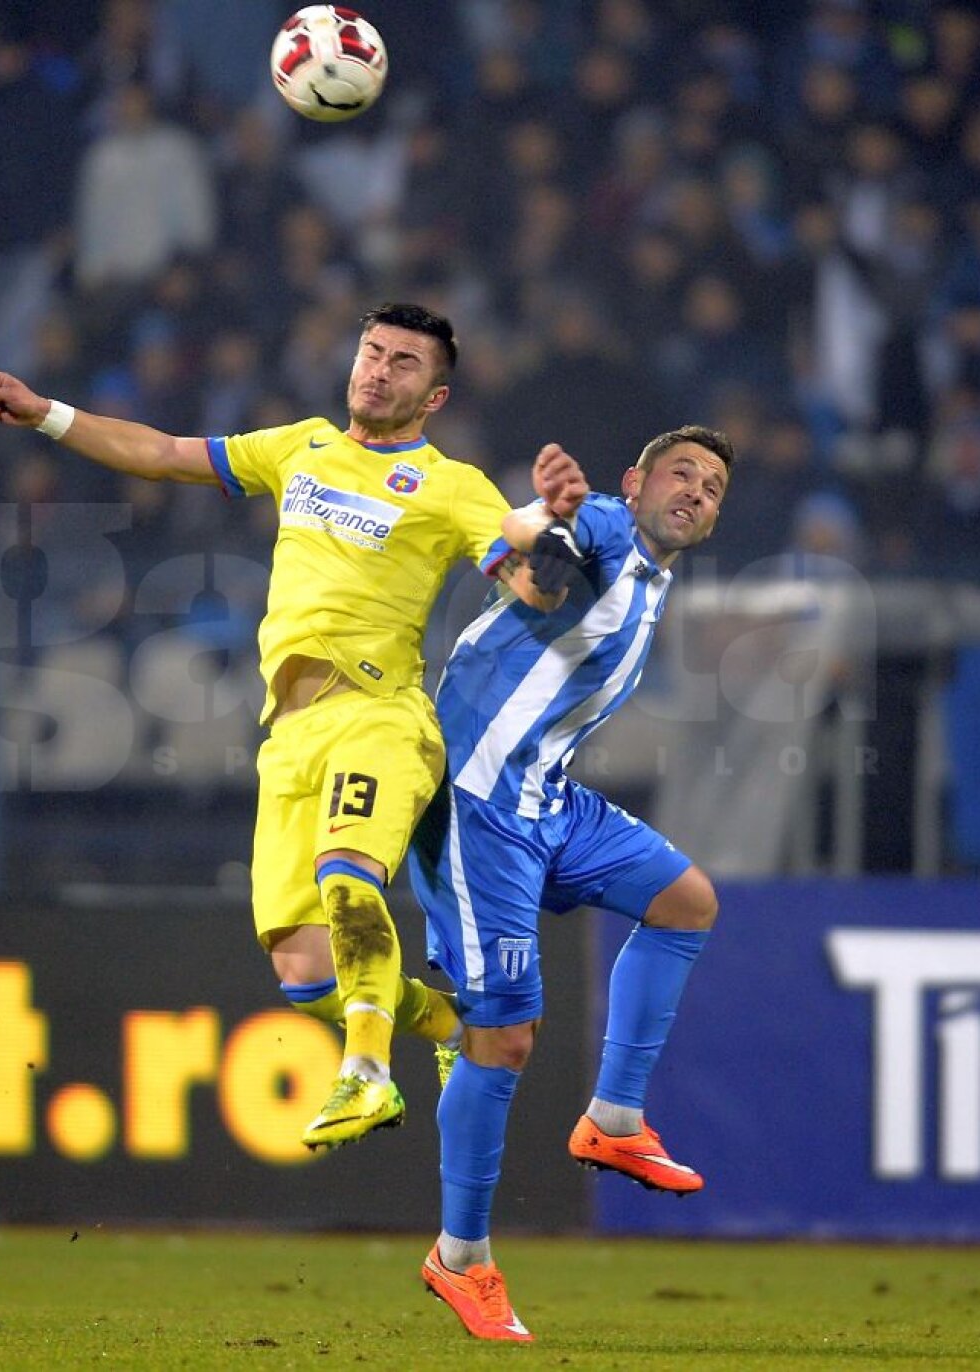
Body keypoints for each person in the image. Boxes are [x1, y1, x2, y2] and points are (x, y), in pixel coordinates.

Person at [0, 302, 586, 1153]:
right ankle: (447, 1025)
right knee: (303, 969)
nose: (379, 370)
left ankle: (366, 1073)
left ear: (434, 398)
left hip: (380, 717)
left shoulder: (451, 484)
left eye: (403, 362)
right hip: (288, 739)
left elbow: (528, 584)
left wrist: (555, 547)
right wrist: (45, 414)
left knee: (348, 878)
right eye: (372, 351)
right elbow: (163, 454)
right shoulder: (300, 447)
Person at [410, 425, 735, 1342]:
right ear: (635, 482)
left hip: (546, 799)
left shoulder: (653, 579)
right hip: (478, 803)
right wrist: (544, 535)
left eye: (713, 487)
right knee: (504, 1037)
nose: (696, 491)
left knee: (686, 902)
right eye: (681, 473)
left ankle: (614, 1118)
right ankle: (461, 1257)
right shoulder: (600, 523)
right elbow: (538, 558)